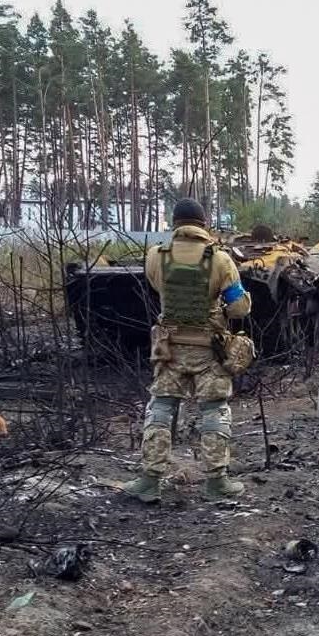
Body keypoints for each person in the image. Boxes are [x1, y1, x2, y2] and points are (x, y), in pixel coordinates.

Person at [123, 197, 256, 503]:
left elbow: (157, 288)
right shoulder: (220, 260)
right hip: (209, 350)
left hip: (168, 349)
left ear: (175, 224)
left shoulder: (157, 255)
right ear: (203, 224)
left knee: (161, 408)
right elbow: (239, 308)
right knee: (214, 410)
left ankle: (149, 480)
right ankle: (216, 482)